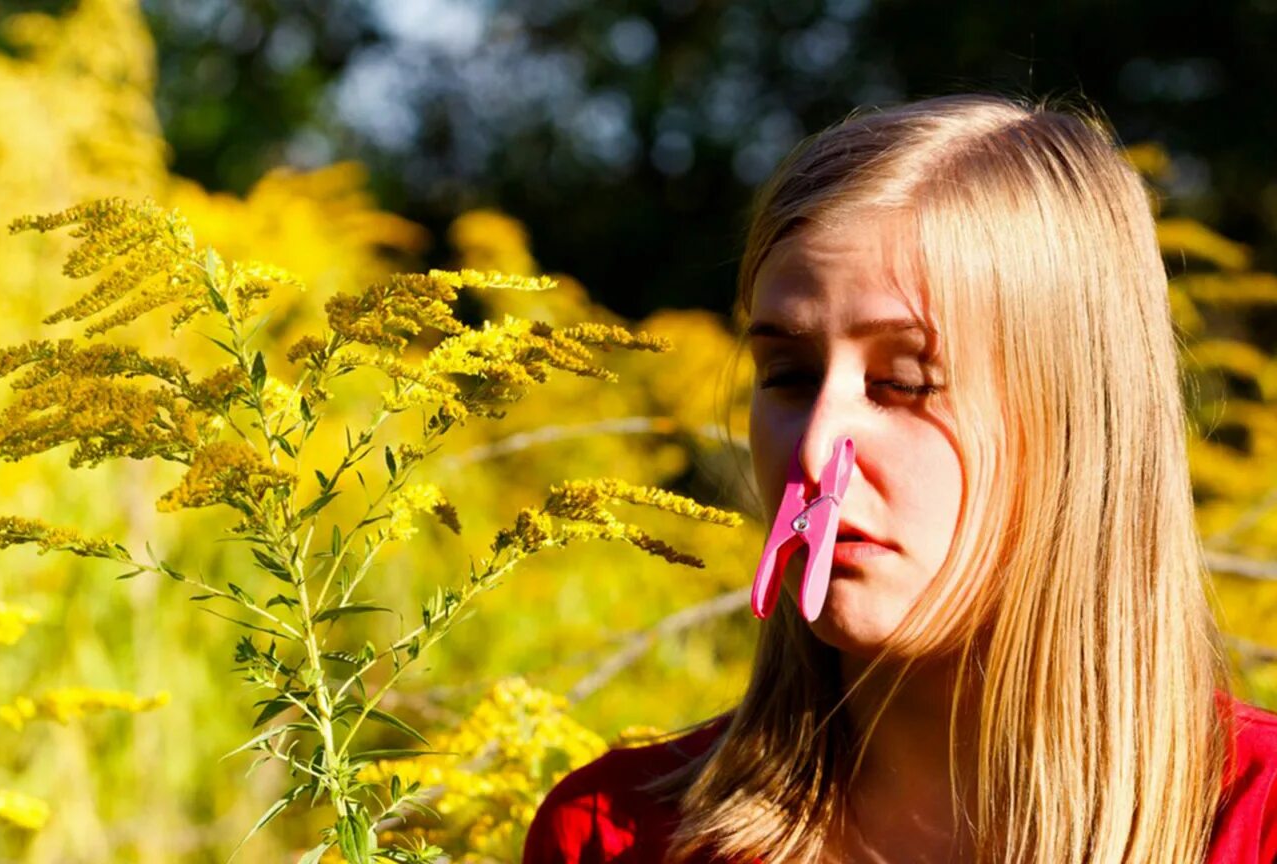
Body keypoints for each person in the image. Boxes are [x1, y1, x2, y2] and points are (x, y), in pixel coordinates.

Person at [521, 94, 1277, 863]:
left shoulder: (1256, 824)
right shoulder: (614, 835)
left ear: (1080, 418)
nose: (816, 453)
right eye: (788, 373)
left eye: (905, 383)